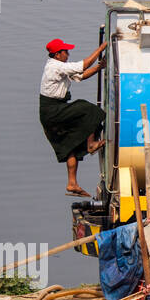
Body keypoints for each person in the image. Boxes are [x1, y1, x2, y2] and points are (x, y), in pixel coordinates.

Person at [39, 38, 107, 197]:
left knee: (71, 146)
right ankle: (91, 145)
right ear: (57, 55)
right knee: (88, 109)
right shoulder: (55, 66)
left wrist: (100, 67)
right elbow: (83, 65)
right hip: (52, 110)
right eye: (65, 52)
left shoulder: (59, 68)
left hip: (52, 110)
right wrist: (102, 47)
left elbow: (80, 76)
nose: (68, 54)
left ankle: (72, 183)